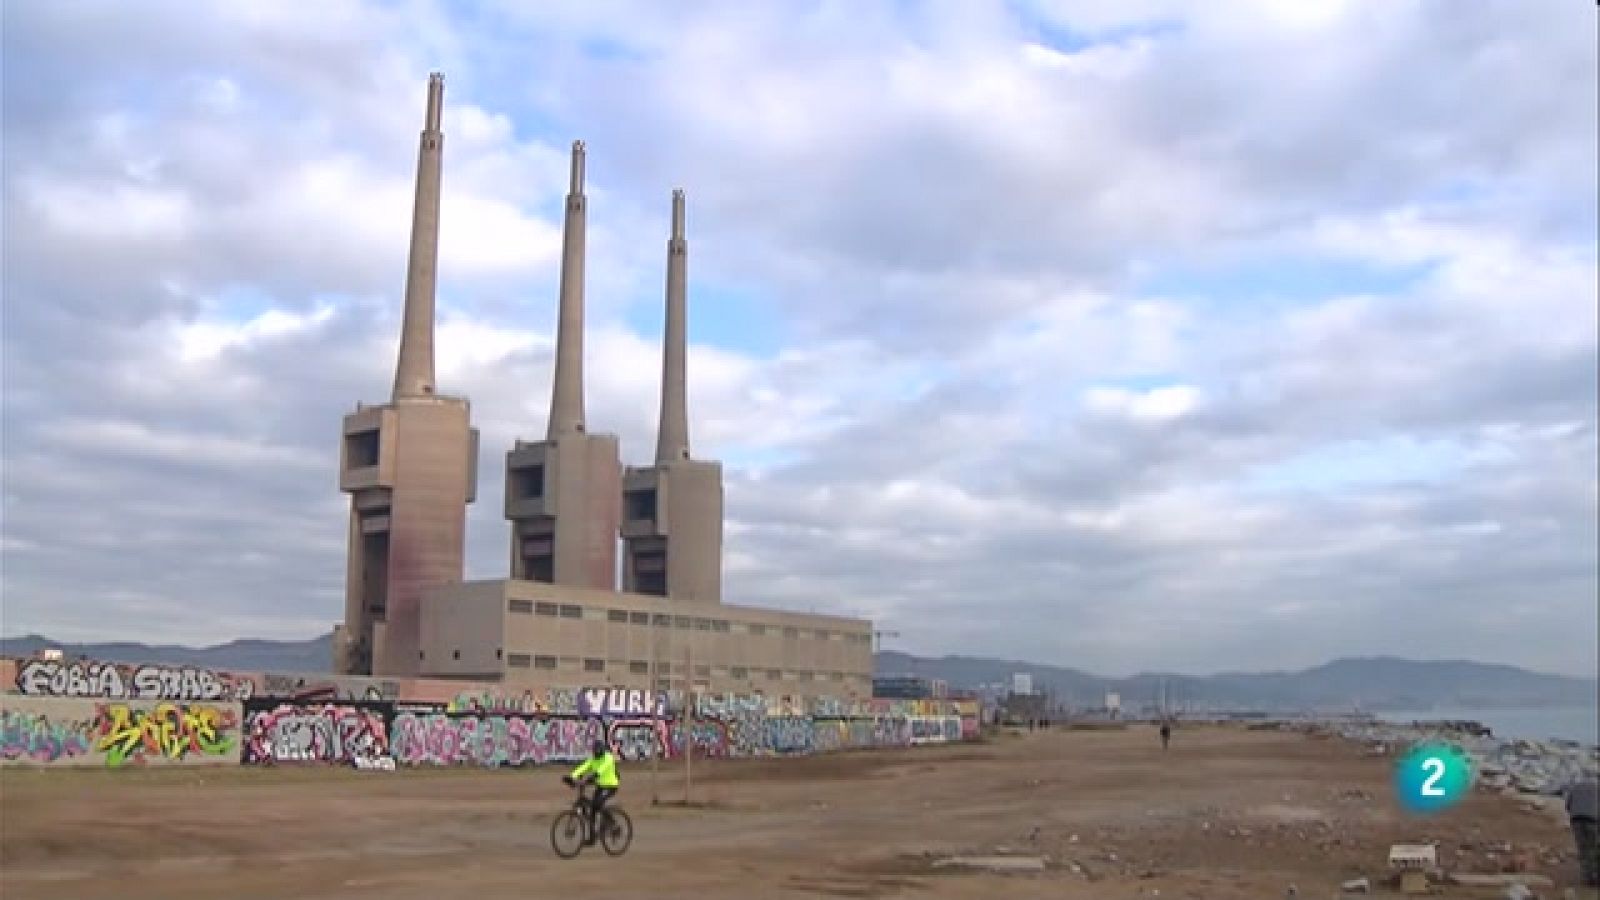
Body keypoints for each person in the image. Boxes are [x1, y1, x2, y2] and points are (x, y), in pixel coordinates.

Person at [564, 739, 621, 845]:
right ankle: (592, 838)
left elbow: (600, 771)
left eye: (598, 751)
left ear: (602, 750)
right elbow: (583, 767)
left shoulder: (608, 758)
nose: (596, 753)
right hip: (600, 786)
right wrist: (572, 777)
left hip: (610, 786)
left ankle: (614, 825)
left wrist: (590, 779)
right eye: (595, 751)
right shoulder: (593, 759)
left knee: (598, 804)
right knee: (592, 811)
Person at [1566, 775, 1598, 887]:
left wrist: (1575, 812)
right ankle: (1595, 877)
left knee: (1583, 848)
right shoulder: (1597, 787)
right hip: (1592, 820)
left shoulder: (1576, 786)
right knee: (1593, 848)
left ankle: (1586, 877)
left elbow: (1568, 805)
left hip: (1576, 820)